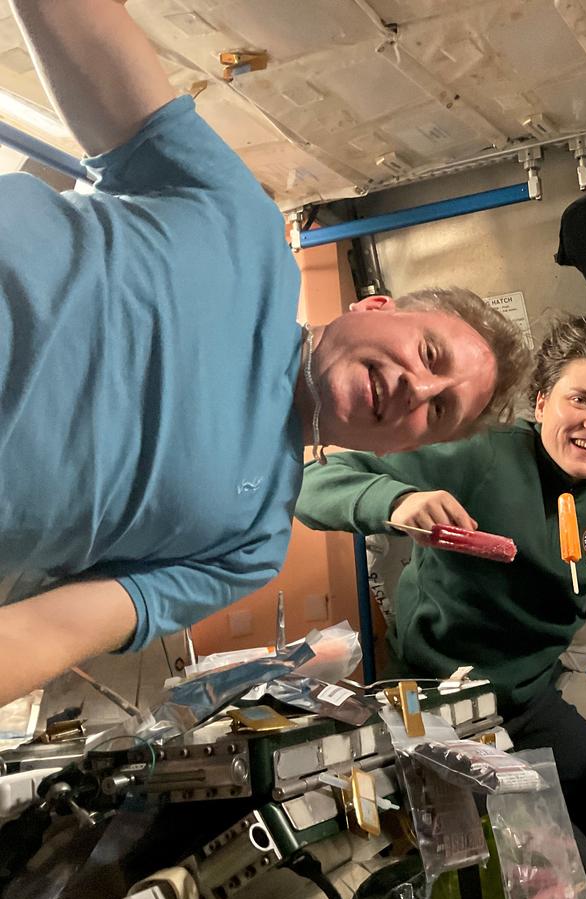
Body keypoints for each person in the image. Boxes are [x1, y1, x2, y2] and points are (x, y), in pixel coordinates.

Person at [0, 0, 529, 707]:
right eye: (430, 353)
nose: (416, 391)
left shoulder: (248, 546)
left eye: (438, 413)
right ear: (374, 307)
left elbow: (48, 632)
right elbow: (87, 37)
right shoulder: (244, 225)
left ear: (405, 449)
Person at [295, 312, 586, 899]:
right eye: (580, 399)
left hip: (529, 701)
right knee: (559, 882)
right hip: (433, 708)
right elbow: (315, 484)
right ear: (541, 401)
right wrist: (396, 505)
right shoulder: (479, 452)